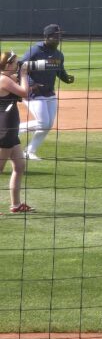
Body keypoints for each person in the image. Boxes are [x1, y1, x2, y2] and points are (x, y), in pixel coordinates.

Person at [21, 24, 75, 161]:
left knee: (48, 125)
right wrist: (31, 84)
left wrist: (66, 78)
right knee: (43, 123)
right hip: (33, 94)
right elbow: (19, 68)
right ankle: (10, 130)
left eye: (60, 35)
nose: (59, 38)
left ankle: (29, 151)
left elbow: (59, 70)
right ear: (47, 37)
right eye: (56, 36)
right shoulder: (34, 50)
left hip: (49, 93)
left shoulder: (58, 54)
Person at [0, 50, 33, 213]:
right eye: (15, 63)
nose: (17, 65)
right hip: (4, 130)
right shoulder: (3, 80)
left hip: (11, 129)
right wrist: (25, 74)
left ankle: (15, 205)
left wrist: (20, 75)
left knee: (19, 166)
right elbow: (25, 93)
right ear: (7, 65)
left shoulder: (8, 79)